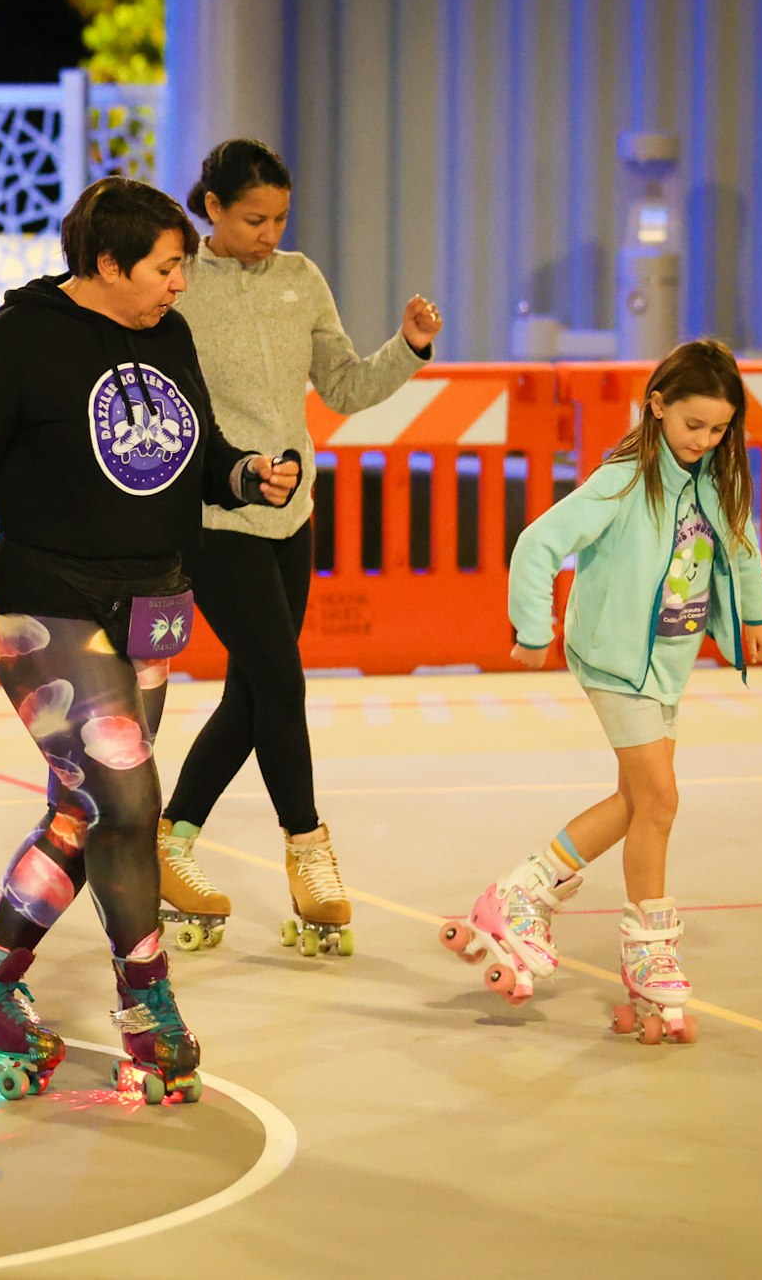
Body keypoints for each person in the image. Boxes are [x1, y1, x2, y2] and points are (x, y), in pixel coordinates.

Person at [0, 176, 300, 1104]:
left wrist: (245, 474)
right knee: (130, 801)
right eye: (168, 266)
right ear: (106, 263)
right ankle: (148, 1004)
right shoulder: (16, 343)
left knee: (87, 812)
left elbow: (192, 449)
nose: (180, 283)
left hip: (150, 602)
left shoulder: (168, 336)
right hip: (44, 599)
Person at [439, 338, 762, 1044]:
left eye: (719, 429)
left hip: (669, 664)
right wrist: (534, 627)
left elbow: (741, 547)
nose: (706, 440)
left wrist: (756, 613)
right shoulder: (624, 478)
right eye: (694, 425)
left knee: (636, 800)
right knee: (661, 799)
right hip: (616, 660)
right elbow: (538, 542)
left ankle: (520, 891)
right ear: (657, 407)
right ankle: (651, 948)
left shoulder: (715, 479)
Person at [158, 138, 445, 958]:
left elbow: (347, 386)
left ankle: (171, 843)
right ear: (210, 208)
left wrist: (409, 347)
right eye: (254, 218)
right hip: (215, 516)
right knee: (282, 679)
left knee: (253, 697)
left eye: (281, 217)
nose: (269, 232)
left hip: (292, 517)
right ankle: (308, 847)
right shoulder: (177, 284)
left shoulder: (300, 277)